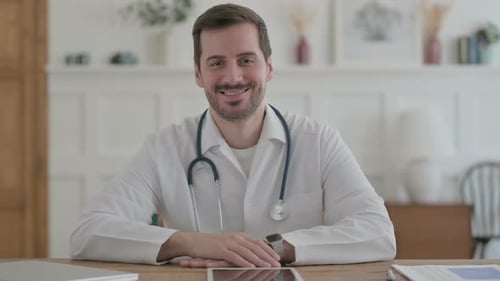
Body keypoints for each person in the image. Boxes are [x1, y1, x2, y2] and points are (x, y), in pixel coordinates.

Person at [70, 3, 396, 267]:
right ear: (198, 74)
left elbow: (377, 232)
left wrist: (275, 249)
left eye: (246, 60)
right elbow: (88, 233)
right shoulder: (164, 148)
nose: (232, 76)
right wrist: (195, 242)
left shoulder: (319, 141)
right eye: (216, 63)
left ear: (269, 67)